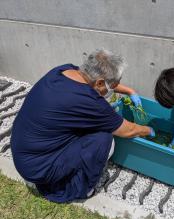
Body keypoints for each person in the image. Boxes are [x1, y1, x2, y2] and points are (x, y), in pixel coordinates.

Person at [11, 49, 155, 203]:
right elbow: (128, 130)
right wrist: (149, 130)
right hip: (39, 169)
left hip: (24, 152)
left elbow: (101, 83)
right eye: (113, 85)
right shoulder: (88, 101)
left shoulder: (64, 70)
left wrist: (129, 91)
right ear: (99, 83)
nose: (115, 88)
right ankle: (82, 188)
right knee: (105, 139)